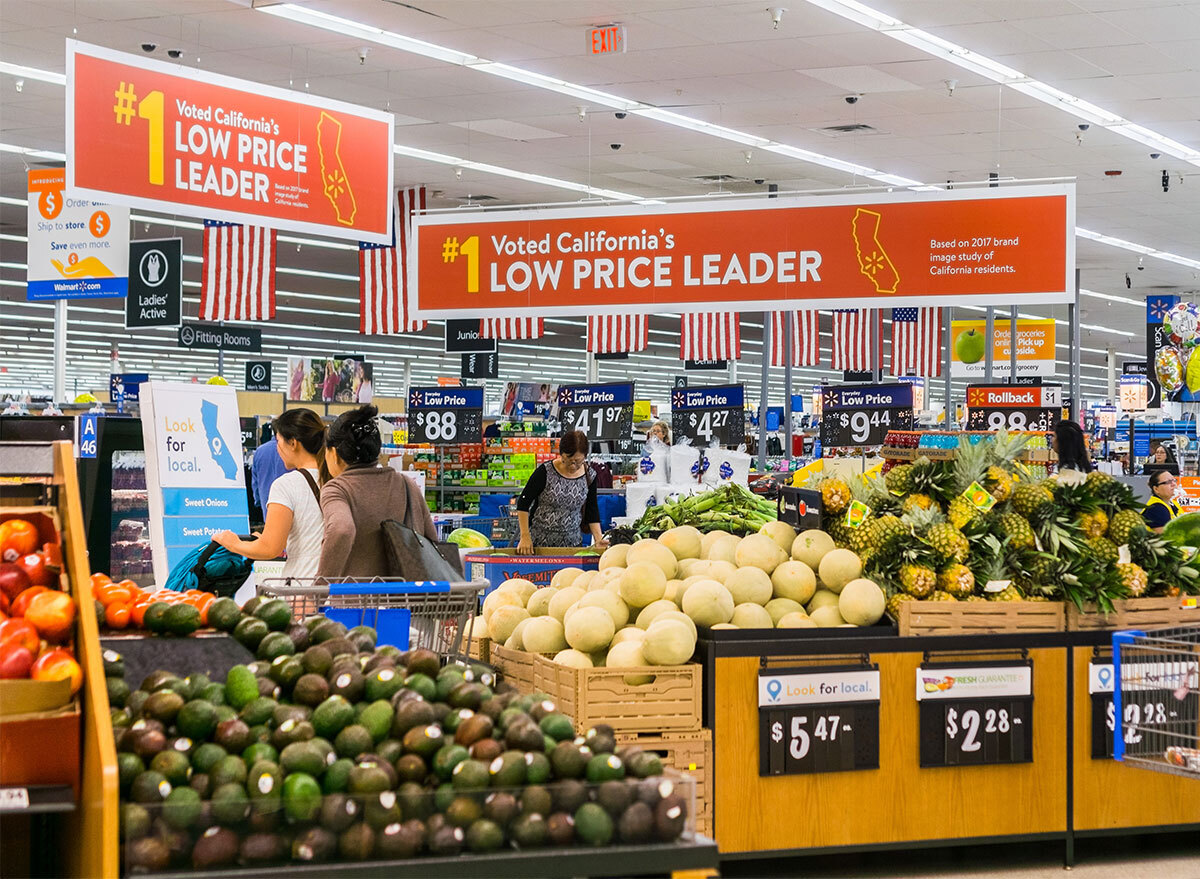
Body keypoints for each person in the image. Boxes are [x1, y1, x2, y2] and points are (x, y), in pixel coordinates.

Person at [317, 404, 437, 578]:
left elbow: (342, 529)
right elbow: (431, 540)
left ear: (334, 453)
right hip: (405, 599)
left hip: (355, 601)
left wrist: (321, 586)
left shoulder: (337, 489)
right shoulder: (406, 484)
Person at [214, 408, 326, 579]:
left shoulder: (286, 485)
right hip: (335, 583)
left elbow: (270, 548)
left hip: (302, 584)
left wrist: (233, 543)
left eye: (278, 441)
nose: (277, 448)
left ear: (293, 443)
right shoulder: (334, 479)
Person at [515, 430, 608, 554]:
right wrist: (525, 536)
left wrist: (598, 538)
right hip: (539, 545)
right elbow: (523, 504)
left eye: (578, 461)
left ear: (585, 456)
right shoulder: (545, 472)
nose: (573, 466)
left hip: (573, 545)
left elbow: (592, 510)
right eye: (568, 460)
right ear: (561, 454)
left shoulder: (590, 476)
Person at [251, 433, 289, 512]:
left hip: (266, 504)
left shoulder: (259, 451)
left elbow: (255, 482)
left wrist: (258, 501)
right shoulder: (292, 450)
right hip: (290, 505)